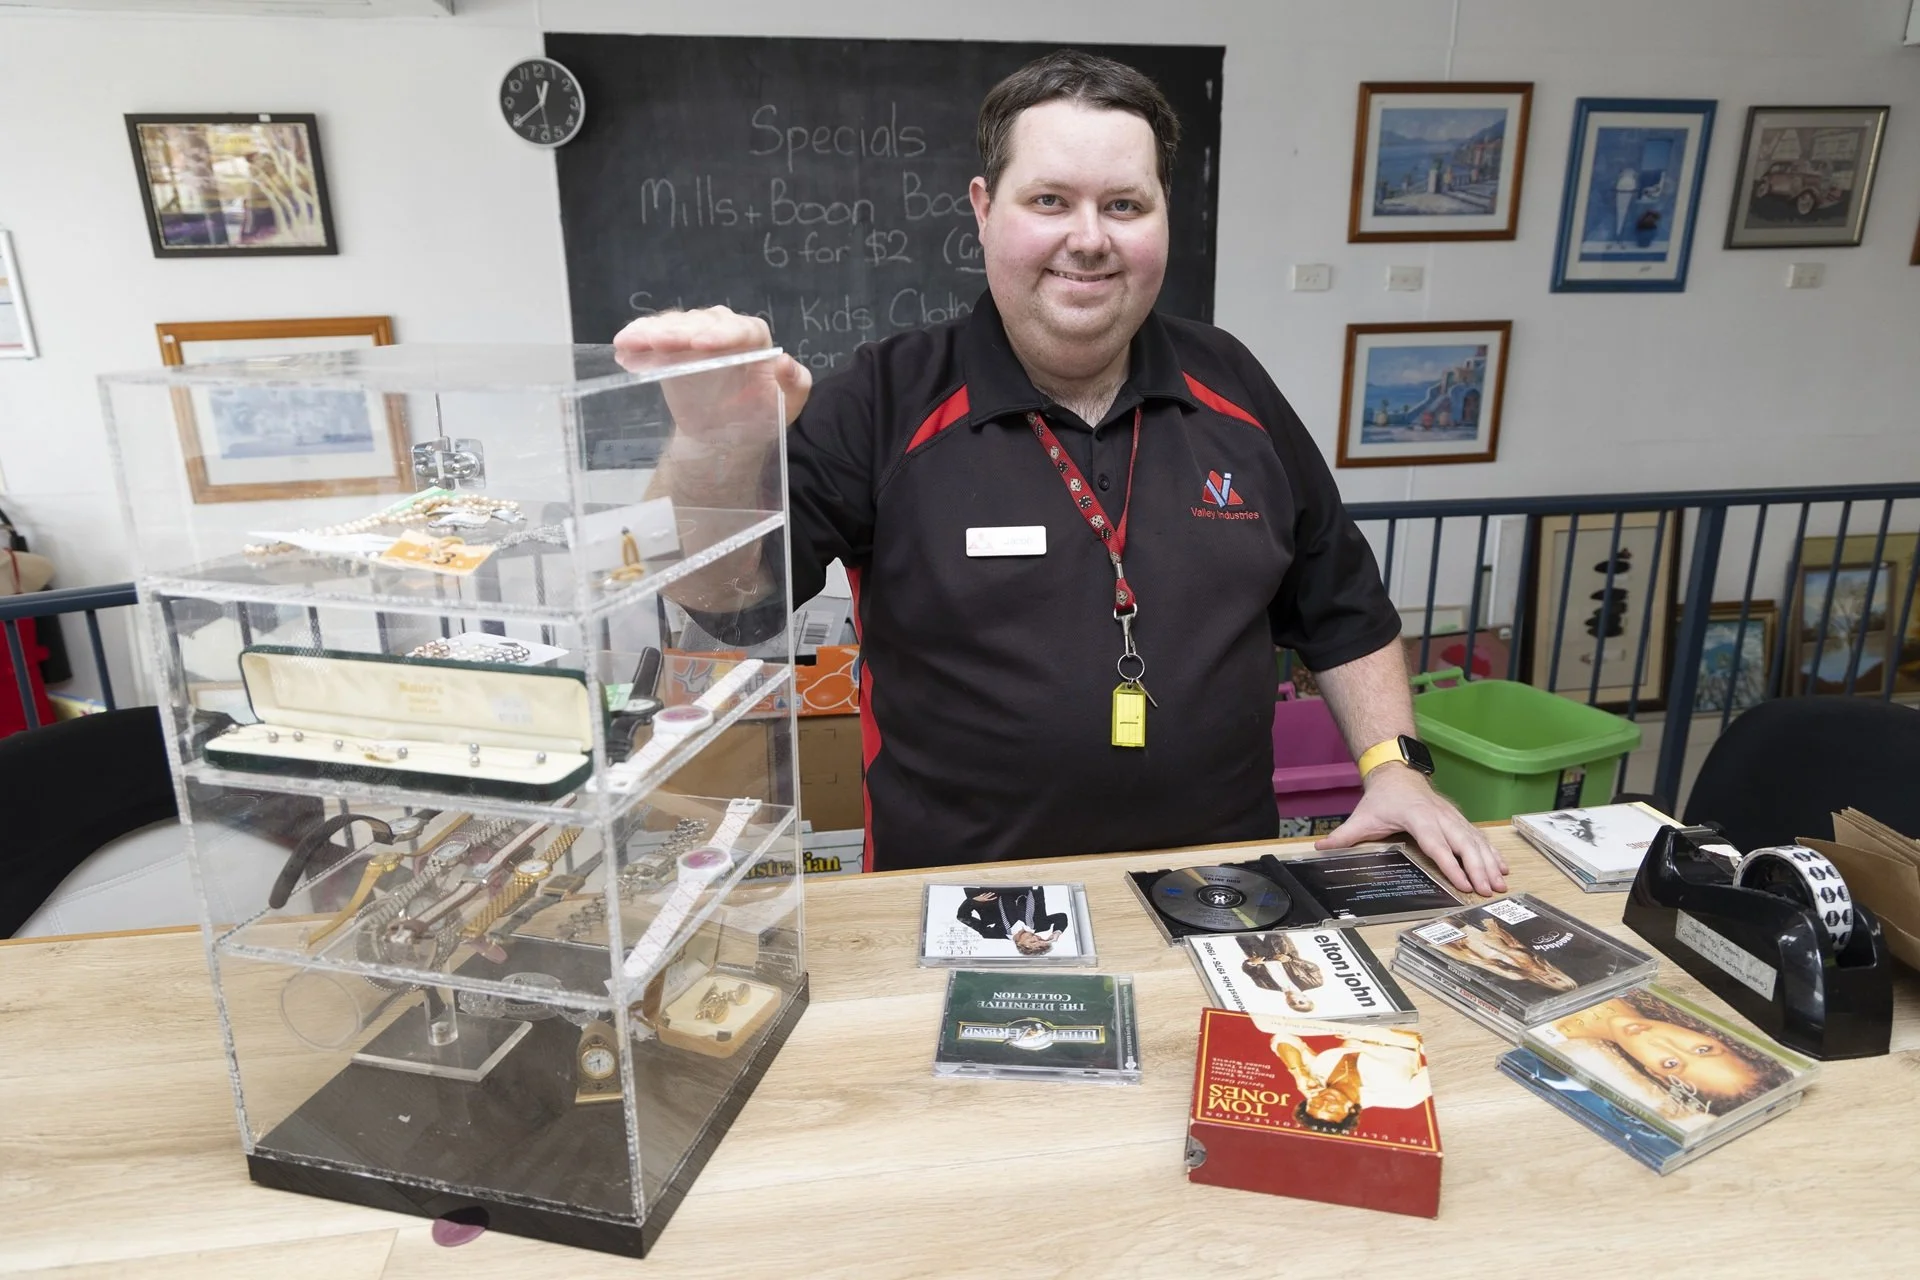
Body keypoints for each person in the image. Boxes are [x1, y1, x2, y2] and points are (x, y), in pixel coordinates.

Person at [614, 50, 1505, 892]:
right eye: (1049, 200)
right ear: (983, 207)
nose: (1089, 240)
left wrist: (1396, 770)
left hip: (1222, 893)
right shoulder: (887, 396)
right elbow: (731, 598)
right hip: (958, 906)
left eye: (1125, 205)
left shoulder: (1233, 383)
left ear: (1164, 215)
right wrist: (712, 451)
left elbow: (1342, 604)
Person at [1546, 989, 1795, 1116]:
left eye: (1671, 1064)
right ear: (1714, 1037)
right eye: (1702, 1049)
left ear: (1653, 1073)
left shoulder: (1555, 1036)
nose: (1659, 1042)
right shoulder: (1636, 988)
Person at [1267, 1026, 1431, 1135]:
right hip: (1405, 1028)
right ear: (1350, 1112)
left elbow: (1283, 1038)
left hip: (1361, 1020)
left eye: (1316, 1105)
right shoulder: (1402, 1098)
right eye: (1331, 1110)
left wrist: (1299, 1073)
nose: (1324, 1102)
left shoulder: (1314, 1075)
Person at [956, 886, 1069, 955]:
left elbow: (962, 916)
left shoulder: (991, 933)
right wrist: (1057, 932)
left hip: (989, 885)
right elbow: (1061, 917)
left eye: (1032, 942)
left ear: (1019, 945)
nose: (1035, 937)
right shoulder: (1042, 925)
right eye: (1040, 938)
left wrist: (973, 901)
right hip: (1024, 883)